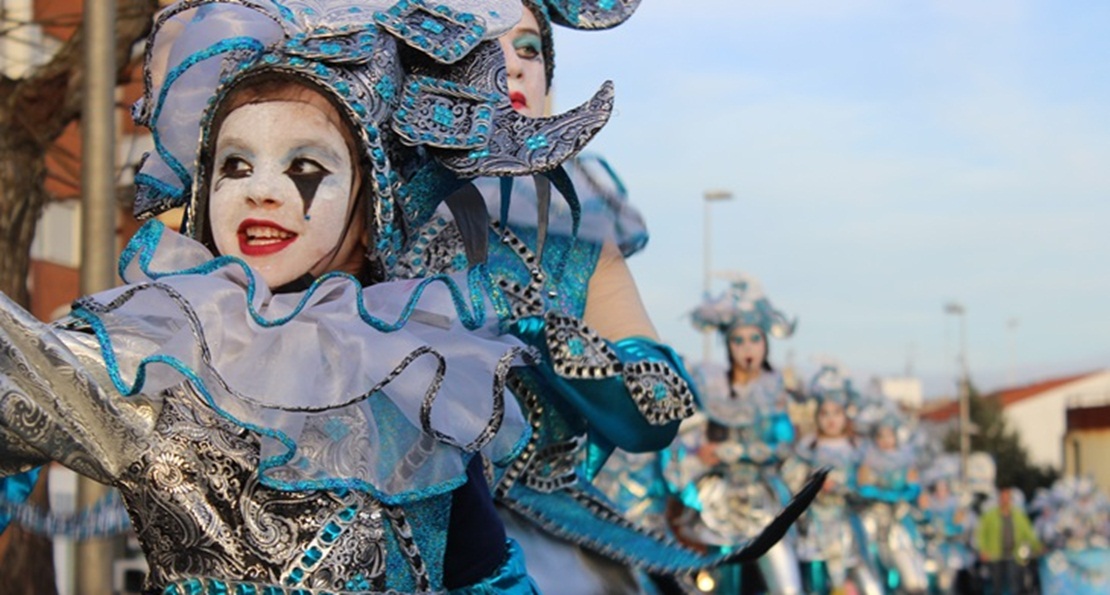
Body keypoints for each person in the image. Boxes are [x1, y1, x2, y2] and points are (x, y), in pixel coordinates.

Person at [0, 0, 621, 592]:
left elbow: (486, 580)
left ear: (368, 205)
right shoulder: (152, 356)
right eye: (235, 167)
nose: (260, 192)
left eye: (304, 168)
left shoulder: (419, 386)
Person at [395, 2, 826, 592]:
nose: (514, 68)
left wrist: (548, 339)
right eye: (483, 44)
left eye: (529, 49)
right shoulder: (368, 202)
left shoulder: (580, 231)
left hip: (543, 537)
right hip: (390, 530)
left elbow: (657, 412)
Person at [667, 274, 804, 594]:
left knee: (787, 587)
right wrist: (696, 455)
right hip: (719, 506)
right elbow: (680, 435)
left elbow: (783, 444)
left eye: (754, 339)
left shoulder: (775, 390)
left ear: (766, 343)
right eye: (738, 340)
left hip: (764, 502)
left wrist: (732, 452)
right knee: (720, 587)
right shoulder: (710, 387)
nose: (747, 349)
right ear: (728, 345)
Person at [783, 366, 884, 595]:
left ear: (845, 414)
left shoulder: (859, 448)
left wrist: (849, 487)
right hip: (814, 531)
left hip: (850, 531)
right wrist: (812, 486)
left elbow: (871, 486)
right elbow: (791, 484)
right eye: (824, 413)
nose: (830, 420)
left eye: (836, 413)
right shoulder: (806, 447)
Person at [855, 405, 929, 594]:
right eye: (881, 436)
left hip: (900, 521)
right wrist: (883, 495)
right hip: (874, 522)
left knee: (912, 573)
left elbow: (914, 487)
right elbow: (863, 487)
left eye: (889, 435)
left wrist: (899, 496)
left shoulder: (906, 459)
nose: (886, 441)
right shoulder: (868, 459)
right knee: (876, 567)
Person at [977, 487, 1042, 595]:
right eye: (1003, 498)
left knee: (1015, 585)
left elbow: (1029, 533)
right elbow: (981, 534)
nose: (1005, 501)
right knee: (995, 586)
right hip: (995, 555)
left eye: (1008, 498)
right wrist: (982, 550)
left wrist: (1037, 546)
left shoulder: (1019, 515)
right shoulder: (990, 516)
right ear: (999, 499)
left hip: (1014, 555)